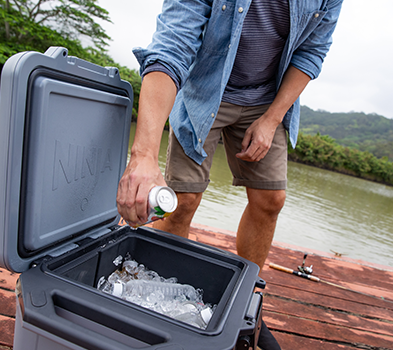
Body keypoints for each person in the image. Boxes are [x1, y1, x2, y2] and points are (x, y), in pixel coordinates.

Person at [117, 0, 342, 347]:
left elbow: (311, 53)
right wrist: (143, 154)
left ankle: (244, 305)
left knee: (271, 200)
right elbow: (172, 46)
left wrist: (270, 121)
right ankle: (159, 295)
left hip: (268, 101)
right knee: (183, 200)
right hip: (205, 91)